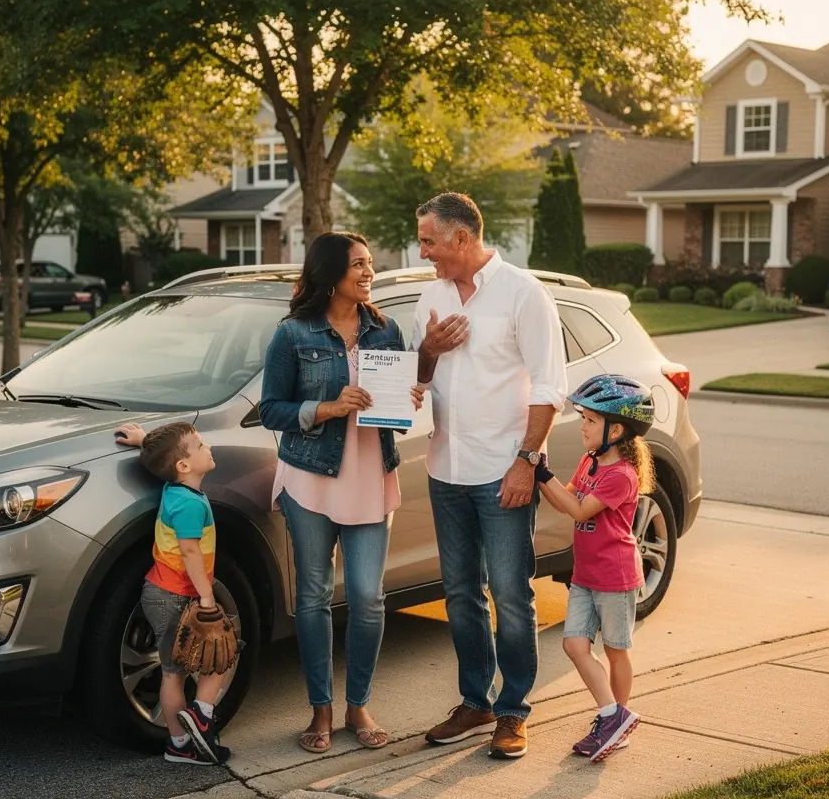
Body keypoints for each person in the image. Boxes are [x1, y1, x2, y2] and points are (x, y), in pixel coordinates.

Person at [413, 192, 568, 760]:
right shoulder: (430, 296)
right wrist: (427, 351)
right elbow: (418, 382)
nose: (423, 250)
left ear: (461, 238)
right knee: (459, 594)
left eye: (429, 240)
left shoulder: (523, 294)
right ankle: (475, 702)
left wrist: (526, 462)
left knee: (510, 592)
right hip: (445, 466)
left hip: (505, 471)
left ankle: (512, 710)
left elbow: (550, 387)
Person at [260, 232, 423, 754]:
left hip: (371, 478)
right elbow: (271, 411)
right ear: (331, 272)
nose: (368, 272)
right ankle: (320, 710)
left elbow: (394, 411)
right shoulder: (292, 333)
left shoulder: (385, 329)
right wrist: (327, 407)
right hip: (310, 479)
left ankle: (358, 705)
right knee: (312, 597)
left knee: (369, 599)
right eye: (358, 264)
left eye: (371, 263)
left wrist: (409, 397)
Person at [535, 374, 656, 762]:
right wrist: (540, 475)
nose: (583, 425)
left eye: (589, 419)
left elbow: (579, 510)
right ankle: (613, 716)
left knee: (616, 651)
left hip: (615, 577)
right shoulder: (590, 462)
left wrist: (542, 473)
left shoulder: (622, 475)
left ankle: (614, 723)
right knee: (574, 645)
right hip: (586, 574)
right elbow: (566, 497)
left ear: (615, 429)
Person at [113, 420, 232, 765]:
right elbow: (190, 551)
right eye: (200, 445)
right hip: (176, 596)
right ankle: (201, 715)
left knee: (172, 671)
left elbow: (164, 453)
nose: (207, 447)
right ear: (183, 466)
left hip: (160, 593)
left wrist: (143, 441)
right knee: (217, 655)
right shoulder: (191, 504)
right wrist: (206, 596)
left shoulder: (175, 489)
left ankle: (180, 745)